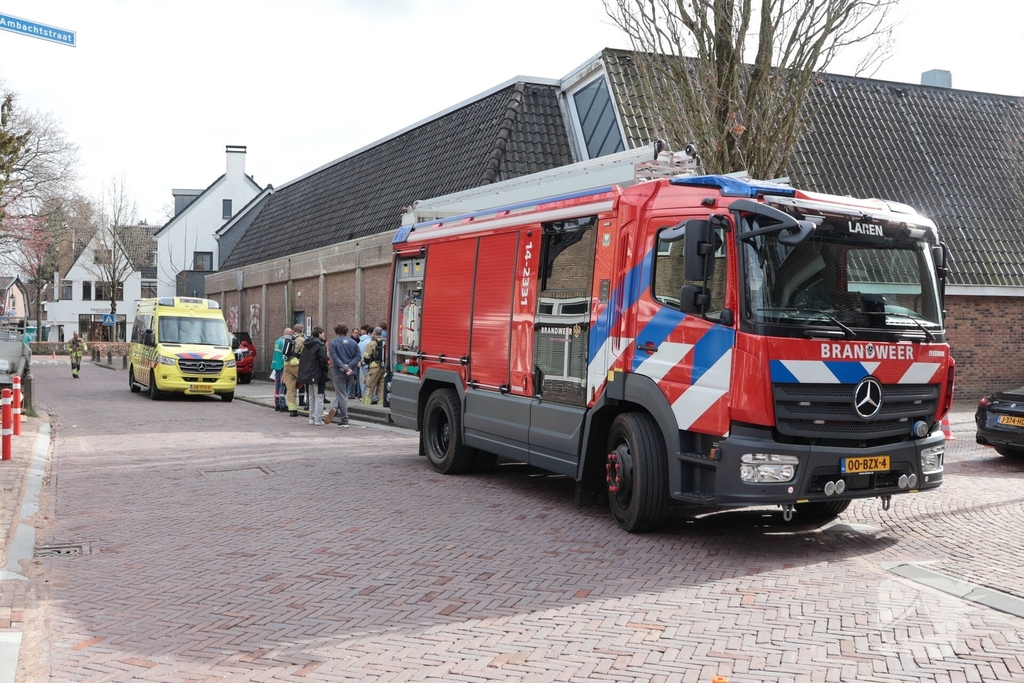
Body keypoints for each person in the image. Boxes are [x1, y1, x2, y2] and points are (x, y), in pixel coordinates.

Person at [325, 324, 362, 428]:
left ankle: (344, 419)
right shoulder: (353, 342)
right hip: (351, 372)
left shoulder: (333, 342)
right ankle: (335, 407)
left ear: (336, 331)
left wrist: (343, 367)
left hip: (339, 372)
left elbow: (334, 357)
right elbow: (358, 356)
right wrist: (349, 366)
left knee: (342, 395)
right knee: (343, 393)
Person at [297, 326, 330, 425]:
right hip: (317, 373)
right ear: (319, 334)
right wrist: (325, 370)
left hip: (308, 374)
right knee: (319, 396)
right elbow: (323, 360)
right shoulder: (320, 345)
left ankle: (311, 418)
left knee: (311, 396)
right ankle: (318, 419)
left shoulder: (307, 345)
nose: (324, 335)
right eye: (323, 333)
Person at [282, 323, 305, 416]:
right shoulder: (302, 340)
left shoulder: (288, 339)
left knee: (290, 388)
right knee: (308, 383)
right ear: (302, 330)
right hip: (296, 364)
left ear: (294, 330)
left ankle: (292, 410)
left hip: (287, 365)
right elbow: (305, 354)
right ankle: (311, 406)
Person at [363, 327, 386, 405]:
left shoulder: (372, 343)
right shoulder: (385, 342)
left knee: (369, 386)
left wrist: (368, 363)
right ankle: (380, 405)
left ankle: (366, 404)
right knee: (381, 388)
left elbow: (366, 357)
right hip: (383, 367)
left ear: (374, 333)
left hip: (374, 367)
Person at [271, 327, 291, 411]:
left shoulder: (278, 341)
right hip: (282, 366)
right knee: (283, 385)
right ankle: (282, 404)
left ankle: (277, 404)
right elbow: (284, 355)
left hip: (276, 365)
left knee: (277, 385)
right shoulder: (285, 342)